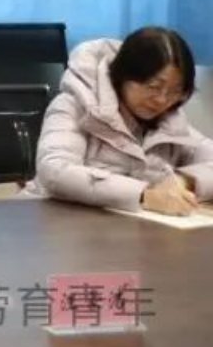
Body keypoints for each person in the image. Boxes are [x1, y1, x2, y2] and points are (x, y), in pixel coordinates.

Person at [34, 27, 213, 214]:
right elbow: (54, 170)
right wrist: (144, 195)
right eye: (153, 87)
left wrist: (184, 180)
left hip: (132, 226)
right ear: (123, 75)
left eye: (175, 91)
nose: (162, 100)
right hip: (58, 220)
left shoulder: (169, 121)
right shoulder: (75, 105)